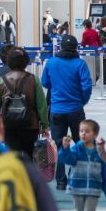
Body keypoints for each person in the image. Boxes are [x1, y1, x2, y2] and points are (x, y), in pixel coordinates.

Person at [42, 35, 93, 191]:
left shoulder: (51, 63)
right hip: (76, 110)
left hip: (57, 110)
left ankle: (60, 181)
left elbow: (45, 82)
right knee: (80, 143)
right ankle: (75, 175)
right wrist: (81, 101)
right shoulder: (80, 64)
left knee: (58, 145)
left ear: (60, 47)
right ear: (76, 48)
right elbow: (87, 86)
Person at [59, 119, 106, 211]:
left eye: (87, 131)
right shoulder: (76, 149)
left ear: (95, 134)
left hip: (93, 189)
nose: (83, 133)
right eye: (81, 131)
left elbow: (105, 172)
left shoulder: (99, 152)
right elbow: (67, 160)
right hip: (76, 188)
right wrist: (65, 148)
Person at [0, 48, 49, 159]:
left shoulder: (2, 80)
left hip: (8, 125)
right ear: (26, 61)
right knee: (29, 156)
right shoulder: (33, 79)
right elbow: (41, 105)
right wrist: (45, 125)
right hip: (30, 125)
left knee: (12, 157)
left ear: (9, 61)